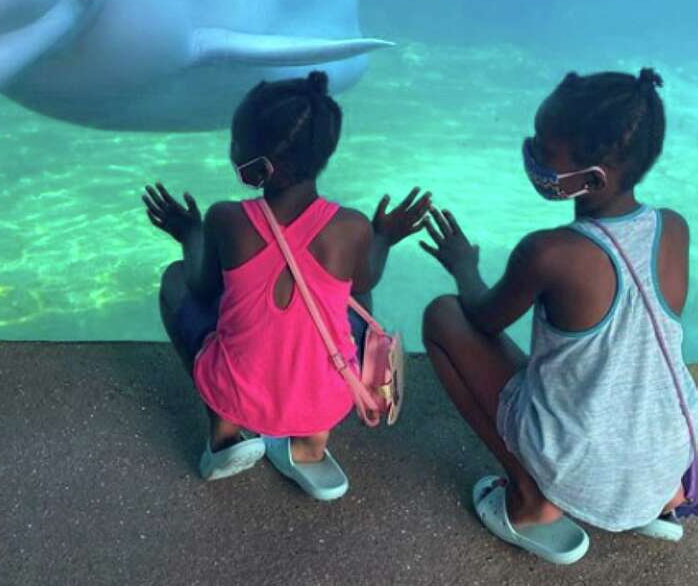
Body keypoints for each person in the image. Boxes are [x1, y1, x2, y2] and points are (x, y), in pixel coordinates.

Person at [420, 68, 698, 564]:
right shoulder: (672, 228)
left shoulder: (549, 253)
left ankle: (530, 500)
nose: (530, 156)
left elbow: (482, 320)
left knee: (442, 317)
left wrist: (464, 267)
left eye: (543, 153)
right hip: (668, 455)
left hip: (584, 463)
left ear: (592, 179)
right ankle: (659, 497)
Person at [145, 71, 430, 500]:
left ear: (259, 162)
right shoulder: (351, 227)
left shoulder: (227, 219)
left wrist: (189, 234)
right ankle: (310, 445)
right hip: (328, 398)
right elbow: (366, 282)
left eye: (237, 143)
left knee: (174, 281)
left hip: (239, 394)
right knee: (354, 296)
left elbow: (202, 290)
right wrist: (383, 236)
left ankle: (225, 432)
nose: (232, 150)